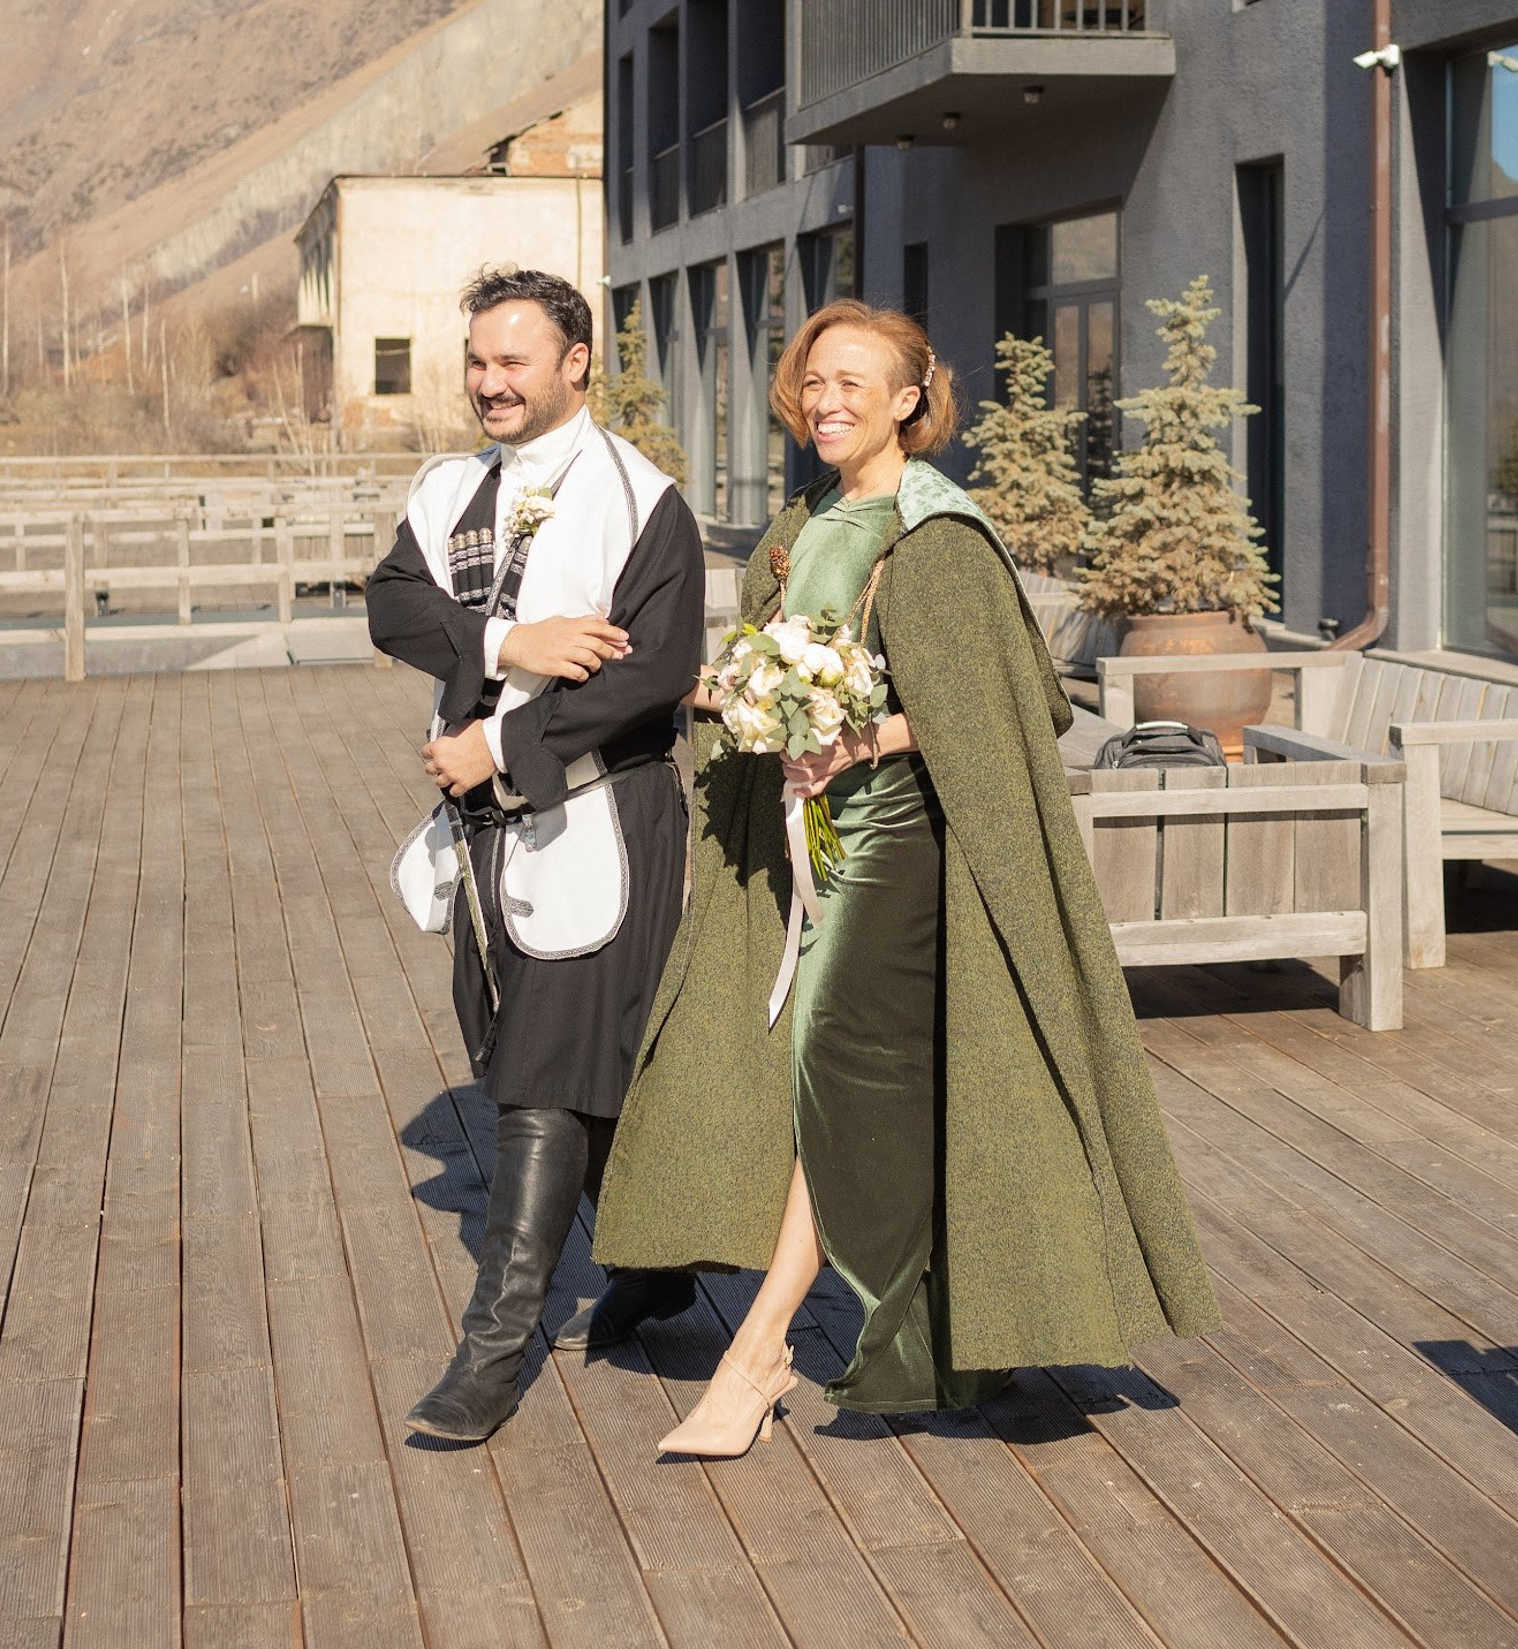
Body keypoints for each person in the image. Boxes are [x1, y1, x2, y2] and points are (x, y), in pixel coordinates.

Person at [592, 298, 1220, 1458]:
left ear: (909, 401)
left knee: (830, 1055)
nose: (826, 401)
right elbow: (773, 662)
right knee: (800, 1068)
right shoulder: (799, 527)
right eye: (813, 382)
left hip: (900, 845)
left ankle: (756, 1353)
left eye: (853, 384)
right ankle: (887, 1317)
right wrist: (741, 696)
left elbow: (1011, 705)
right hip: (798, 832)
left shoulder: (937, 535)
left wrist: (862, 738)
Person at [366, 267, 703, 1441]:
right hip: (484, 842)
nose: (490, 383)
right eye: (479, 361)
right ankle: (655, 1266)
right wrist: (517, 638)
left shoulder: (640, 500)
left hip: (602, 820)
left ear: (578, 362)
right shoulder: (452, 486)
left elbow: (650, 678)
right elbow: (394, 607)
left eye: (516, 361)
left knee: (539, 1080)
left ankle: (495, 1350)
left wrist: (496, 750)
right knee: (520, 1044)